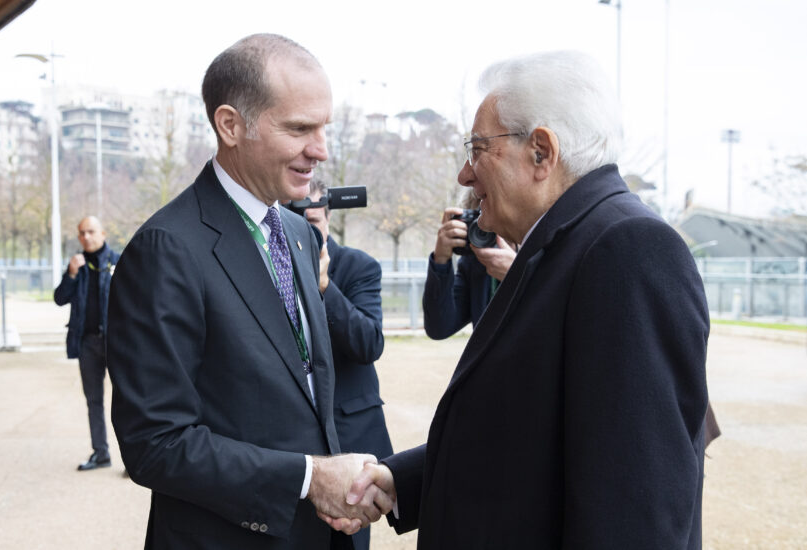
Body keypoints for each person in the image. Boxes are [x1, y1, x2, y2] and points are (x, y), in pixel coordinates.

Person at [343, 50, 711, 548]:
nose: (465, 176)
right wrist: (401, 479)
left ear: (541, 152)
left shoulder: (626, 249)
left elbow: (634, 506)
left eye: (477, 149)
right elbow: (527, 433)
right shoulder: (565, 245)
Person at [106, 34, 389, 549]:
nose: (321, 150)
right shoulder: (165, 249)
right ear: (230, 125)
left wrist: (336, 481)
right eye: (300, 128)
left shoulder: (300, 234)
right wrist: (308, 478)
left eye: (324, 127)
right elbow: (155, 444)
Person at [303, 179, 394, 550]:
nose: (303, 234)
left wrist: (324, 285)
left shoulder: (359, 266)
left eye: (311, 222)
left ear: (327, 217)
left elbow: (369, 344)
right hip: (291, 444)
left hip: (349, 438)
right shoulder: (267, 267)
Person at [53, 216, 120, 471]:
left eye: (91, 231)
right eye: (81, 233)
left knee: (126, 400)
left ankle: (132, 458)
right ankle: (101, 453)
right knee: (94, 400)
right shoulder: (77, 266)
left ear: (102, 233)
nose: (86, 237)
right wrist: (70, 273)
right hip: (87, 343)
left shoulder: (118, 261)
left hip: (116, 344)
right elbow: (60, 299)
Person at [423, 189, 517, 339]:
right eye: (479, 219)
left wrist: (518, 275)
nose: (488, 227)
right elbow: (439, 327)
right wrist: (441, 259)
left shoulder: (544, 252)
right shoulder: (476, 261)